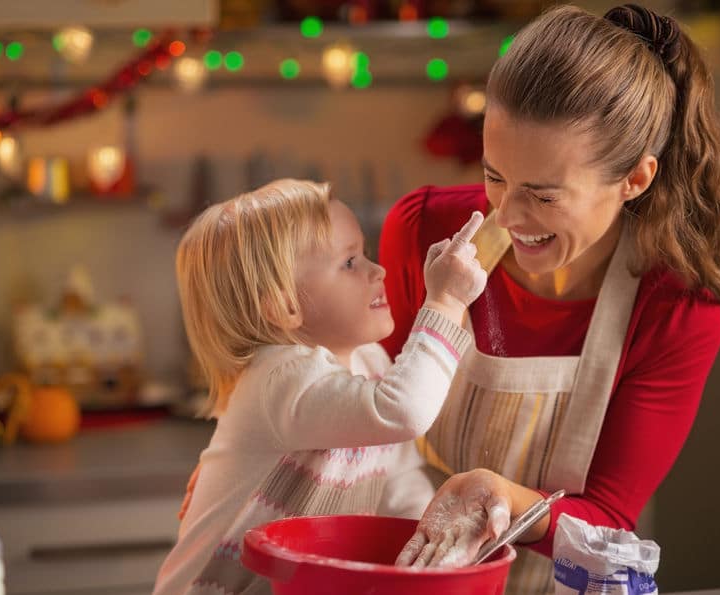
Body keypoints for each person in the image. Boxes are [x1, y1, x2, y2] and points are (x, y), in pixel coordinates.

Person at [380, 4, 720, 592]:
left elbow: (609, 519)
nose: (506, 215)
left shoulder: (676, 306)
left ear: (635, 179)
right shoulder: (422, 231)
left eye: (544, 195)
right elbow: (359, 421)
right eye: (494, 175)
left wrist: (501, 498)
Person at [153, 179, 487, 594]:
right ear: (282, 305)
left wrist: (431, 551)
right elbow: (405, 411)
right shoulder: (280, 378)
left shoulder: (372, 363)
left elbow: (398, 480)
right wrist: (446, 304)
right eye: (349, 263)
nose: (376, 270)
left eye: (364, 253)